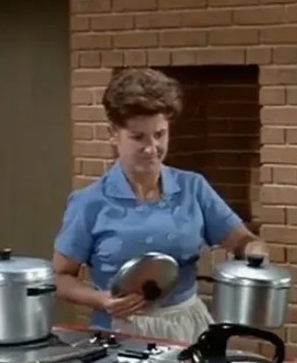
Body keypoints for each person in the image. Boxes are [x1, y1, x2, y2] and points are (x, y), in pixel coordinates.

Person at [51, 67, 269, 344]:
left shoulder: (193, 187)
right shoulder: (90, 202)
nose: (151, 147)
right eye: (138, 137)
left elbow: (242, 240)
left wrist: (255, 252)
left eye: (159, 134)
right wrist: (100, 299)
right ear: (113, 134)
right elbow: (59, 277)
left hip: (188, 328)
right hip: (120, 332)